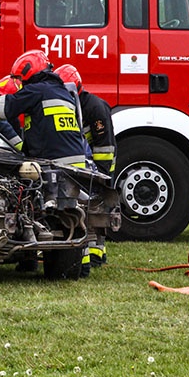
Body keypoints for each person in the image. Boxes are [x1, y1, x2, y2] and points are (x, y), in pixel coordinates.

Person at [0, 50, 92, 242]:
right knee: (69, 215)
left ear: (28, 73)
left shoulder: (37, 90)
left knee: (39, 208)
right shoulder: (62, 92)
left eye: (20, 79)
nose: (21, 85)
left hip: (52, 162)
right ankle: (76, 263)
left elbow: (5, 107)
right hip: (74, 164)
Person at [54, 63, 115, 271]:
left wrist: (101, 175)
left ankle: (97, 255)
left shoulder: (94, 107)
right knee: (88, 211)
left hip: (99, 168)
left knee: (97, 209)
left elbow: (105, 148)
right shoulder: (70, 104)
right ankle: (94, 255)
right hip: (85, 166)